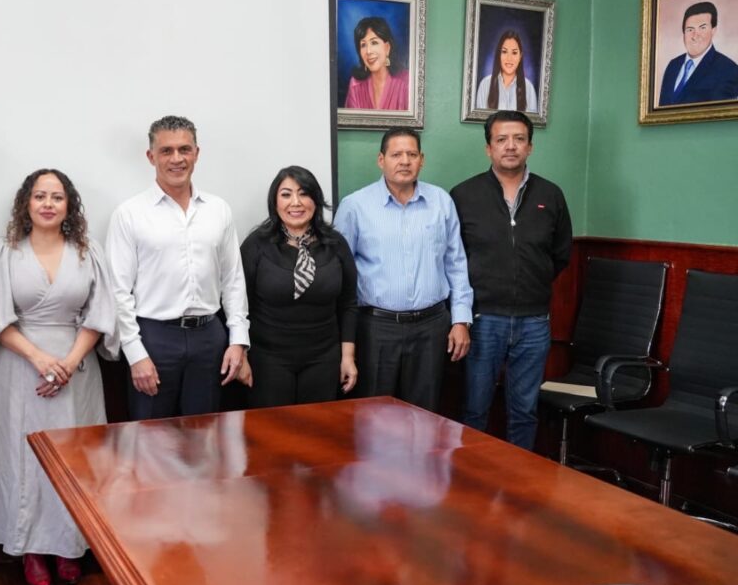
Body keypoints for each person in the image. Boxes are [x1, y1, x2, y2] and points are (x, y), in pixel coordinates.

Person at [0, 169, 116, 585]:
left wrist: (67, 363)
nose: (48, 204)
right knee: (23, 459)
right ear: (25, 203)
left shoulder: (88, 251)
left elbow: (101, 314)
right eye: (39, 196)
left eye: (56, 197)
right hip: (19, 367)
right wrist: (39, 358)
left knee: (76, 459)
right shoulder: (5, 252)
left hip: (76, 369)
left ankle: (70, 546)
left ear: (69, 205)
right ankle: (30, 548)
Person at [106, 115, 251, 421]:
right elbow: (118, 292)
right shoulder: (129, 214)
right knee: (151, 437)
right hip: (154, 338)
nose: (177, 159)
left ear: (196, 153)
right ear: (151, 157)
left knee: (205, 434)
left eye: (184, 149)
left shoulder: (218, 210)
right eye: (166, 151)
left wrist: (238, 339)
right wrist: (135, 354)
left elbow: (233, 280)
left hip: (209, 338)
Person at [451, 111, 572, 450]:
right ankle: (470, 473)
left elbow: (561, 254)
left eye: (519, 139)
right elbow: (453, 258)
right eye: (501, 139)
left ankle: (520, 478)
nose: (510, 146)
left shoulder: (551, 194)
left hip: (534, 321)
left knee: (524, 411)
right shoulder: (463, 195)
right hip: (482, 320)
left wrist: (533, 282)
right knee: (475, 409)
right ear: (488, 148)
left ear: (530, 147)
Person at [334, 128, 473, 413]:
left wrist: (461, 320)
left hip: (431, 327)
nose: (405, 161)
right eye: (396, 154)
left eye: (412, 154)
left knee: (423, 415)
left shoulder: (441, 202)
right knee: (373, 415)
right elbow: (340, 273)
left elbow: (456, 263)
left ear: (422, 159)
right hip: (375, 327)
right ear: (381, 160)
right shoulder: (355, 206)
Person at [240, 165, 359, 407]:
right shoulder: (256, 244)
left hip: (324, 357)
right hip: (268, 358)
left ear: (316, 200)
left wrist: (348, 357)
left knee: (316, 427)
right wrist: (241, 354)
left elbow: (348, 304)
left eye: (304, 193)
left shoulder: (336, 244)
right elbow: (239, 305)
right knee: (273, 427)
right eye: (286, 194)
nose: (296, 202)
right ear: (275, 202)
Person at [658, 1, 738, 106]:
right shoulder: (673, 65)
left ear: (713, 30)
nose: (695, 36)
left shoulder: (729, 70)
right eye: (690, 29)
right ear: (683, 33)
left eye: (702, 28)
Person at [343, 16, 409, 110]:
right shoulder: (355, 84)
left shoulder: (406, 82)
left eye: (374, 43)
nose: (368, 51)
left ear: (387, 48)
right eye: (363, 45)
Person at [474, 30, 539, 113]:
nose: (509, 58)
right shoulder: (485, 85)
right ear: (499, 55)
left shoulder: (529, 89)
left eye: (514, 53)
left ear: (520, 56)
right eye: (504, 52)